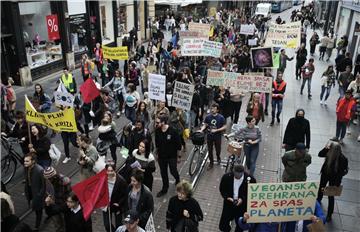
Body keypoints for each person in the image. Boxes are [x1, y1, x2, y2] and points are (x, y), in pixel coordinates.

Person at [238, 201, 325, 232]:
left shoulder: (313, 203)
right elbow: (245, 225)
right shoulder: (260, 209)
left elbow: (322, 218)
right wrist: (244, 219)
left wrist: (317, 219)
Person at [317, 141, 348, 222]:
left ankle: (329, 214)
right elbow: (320, 154)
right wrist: (325, 148)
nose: (329, 148)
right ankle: (318, 199)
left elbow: (342, 172)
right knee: (322, 187)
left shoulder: (343, 159)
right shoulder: (328, 151)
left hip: (334, 178)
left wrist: (337, 184)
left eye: (330, 148)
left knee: (331, 195)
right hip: (325, 174)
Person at [219, 164, 256, 232]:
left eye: (239, 175)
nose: (237, 177)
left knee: (240, 225)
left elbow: (252, 194)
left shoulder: (251, 179)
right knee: (223, 224)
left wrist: (242, 199)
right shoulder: (226, 177)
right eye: (236, 175)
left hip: (242, 206)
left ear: (243, 172)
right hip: (229, 204)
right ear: (233, 171)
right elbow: (222, 189)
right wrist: (227, 197)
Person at [154, 115, 181, 197]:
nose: (156, 124)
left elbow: (178, 144)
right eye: (156, 122)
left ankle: (177, 178)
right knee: (163, 172)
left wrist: (179, 156)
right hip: (162, 157)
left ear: (163, 122)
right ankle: (165, 188)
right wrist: (157, 154)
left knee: (173, 171)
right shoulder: (157, 131)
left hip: (172, 156)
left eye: (158, 122)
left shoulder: (173, 131)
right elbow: (157, 143)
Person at [102, 163, 128, 232]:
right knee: (107, 225)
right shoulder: (103, 179)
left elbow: (125, 195)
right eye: (108, 171)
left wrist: (119, 203)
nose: (109, 173)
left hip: (116, 205)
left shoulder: (121, 181)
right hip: (106, 204)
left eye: (111, 171)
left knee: (118, 225)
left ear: (115, 170)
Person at [24, 152, 46, 231]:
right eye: (24, 161)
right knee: (38, 208)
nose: (25, 163)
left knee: (38, 211)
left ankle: (37, 226)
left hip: (38, 194)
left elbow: (44, 185)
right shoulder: (26, 168)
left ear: (33, 161)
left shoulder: (40, 170)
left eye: (27, 161)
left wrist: (39, 195)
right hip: (31, 191)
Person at [200, 103, 227, 169]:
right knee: (210, 150)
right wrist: (201, 129)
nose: (212, 110)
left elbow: (225, 126)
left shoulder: (221, 117)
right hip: (209, 136)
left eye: (214, 109)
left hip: (217, 136)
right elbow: (205, 124)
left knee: (218, 149)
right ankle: (211, 163)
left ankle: (218, 157)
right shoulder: (208, 117)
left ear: (217, 110)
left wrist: (217, 130)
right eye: (212, 108)